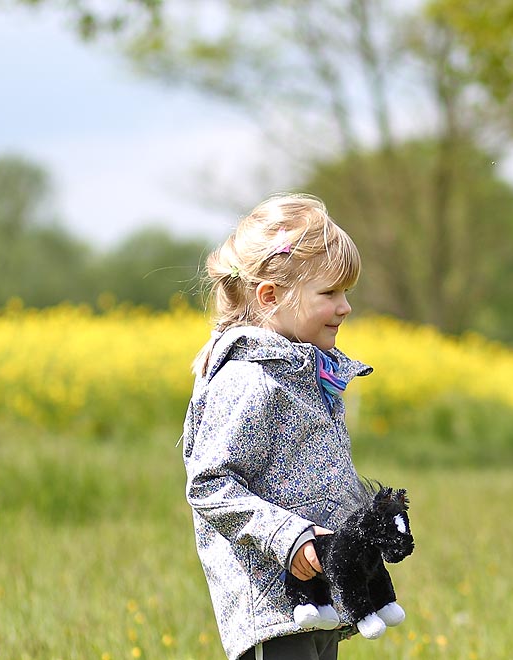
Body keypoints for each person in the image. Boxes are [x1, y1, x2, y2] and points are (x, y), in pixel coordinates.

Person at [181, 194, 375, 660]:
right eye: (329, 293)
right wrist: (286, 538)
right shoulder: (249, 379)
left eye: (346, 292)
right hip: (272, 604)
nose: (345, 307)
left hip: (316, 598)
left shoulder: (303, 370)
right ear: (270, 296)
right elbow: (210, 484)